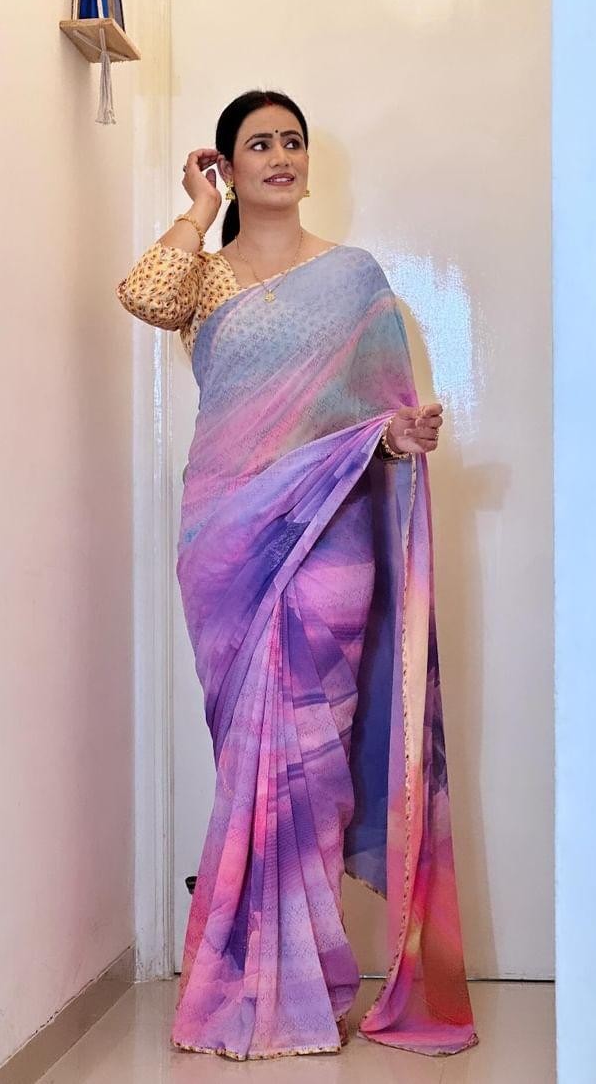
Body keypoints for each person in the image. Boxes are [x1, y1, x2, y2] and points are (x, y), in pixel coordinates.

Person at [116, 89, 478, 1062]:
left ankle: (307, 984)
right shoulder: (206, 278)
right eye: (257, 144)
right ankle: (246, 981)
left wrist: (400, 434)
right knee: (251, 758)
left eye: (291, 141)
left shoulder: (353, 280)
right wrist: (197, 212)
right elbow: (145, 297)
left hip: (330, 540)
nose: (280, 156)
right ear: (228, 165)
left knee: (311, 766)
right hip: (227, 542)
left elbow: (377, 418)